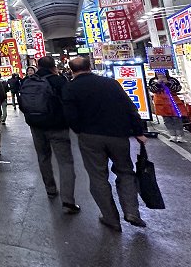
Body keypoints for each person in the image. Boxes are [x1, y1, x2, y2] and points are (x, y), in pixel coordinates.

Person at [62, 57, 148, 231]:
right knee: (125, 172)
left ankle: (110, 218)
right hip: (118, 135)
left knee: (97, 176)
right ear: (90, 67)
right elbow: (129, 107)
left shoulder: (70, 88)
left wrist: (80, 130)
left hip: (90, 136)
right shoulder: (111, 83)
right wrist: (138, 131)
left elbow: (70, 115)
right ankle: (131, 211)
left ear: (71, 70)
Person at [20, 56, 79, 214]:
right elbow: (69, 103)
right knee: (65, 162)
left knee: (43, 157)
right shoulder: (59, 81)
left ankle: (50, 189)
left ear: (37, 67)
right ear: (54, 66)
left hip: (36, 126)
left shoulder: (28, 81)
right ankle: (68, 200)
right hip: (58, 127)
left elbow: (22, 104)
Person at [149, 71, 186, 142]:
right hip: (161, 103)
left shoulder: (172, 80)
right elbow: (152, 90)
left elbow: (178, 88)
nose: (160, 75)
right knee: (166, 119)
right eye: (158, 73)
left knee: (176, 119)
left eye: (162, 73)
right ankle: (172, 135)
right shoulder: (153, 80)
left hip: (173, 101)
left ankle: (180, 135)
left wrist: (168, 83)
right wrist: (158, 84)